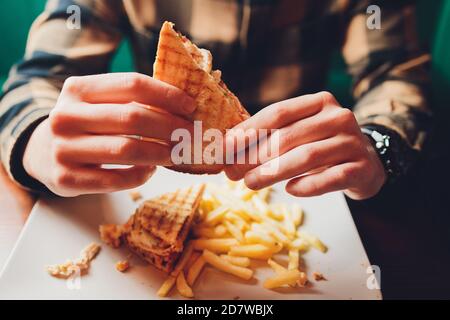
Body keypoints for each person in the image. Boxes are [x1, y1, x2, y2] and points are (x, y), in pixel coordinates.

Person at [0, 0, 431, 199]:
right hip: (153, 180)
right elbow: (38, 78)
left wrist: (378, 146)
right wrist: (38, 141)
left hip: (302, 181)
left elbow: (396, 76)